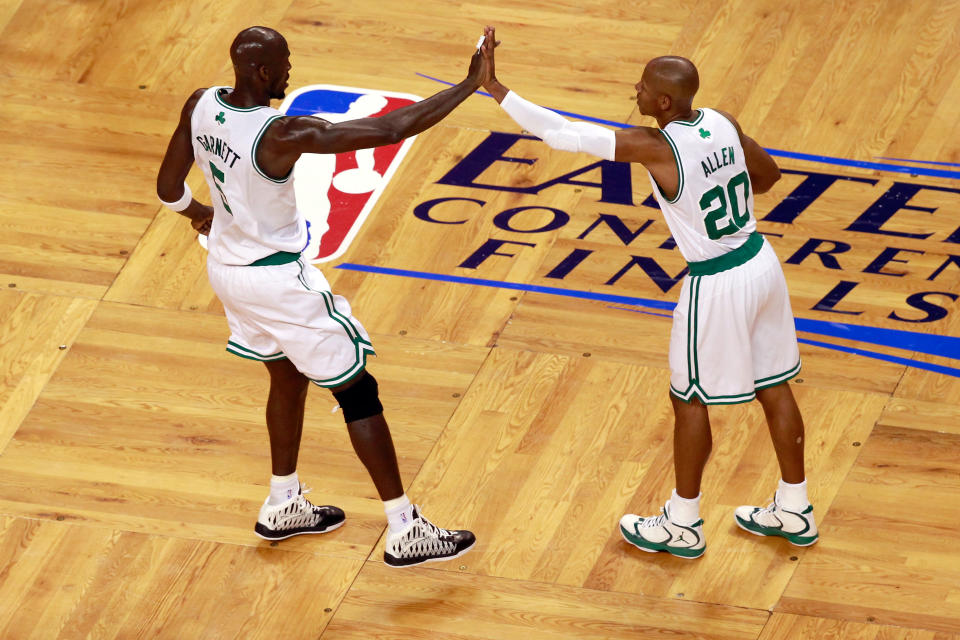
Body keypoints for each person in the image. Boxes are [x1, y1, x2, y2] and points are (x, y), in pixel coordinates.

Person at [478, 26, 816, 559]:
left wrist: (495, 89)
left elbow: (563, 134)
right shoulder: (723, 122)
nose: (632, 91)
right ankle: (794, 507)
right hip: (760, 261)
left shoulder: (654, 145)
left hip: (718, 280)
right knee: (774, 385)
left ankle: (683, 523)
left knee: (689, 398)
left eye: (641, 86)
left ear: (663, 100)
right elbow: (769, 176)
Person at [156, 26, 485, 567]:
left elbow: (168, 188)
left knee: (286, 374)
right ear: (262, 72)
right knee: (358, 391)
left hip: (226, 270)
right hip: (280, 280)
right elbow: (392, 127)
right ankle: (405, 529)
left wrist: (200, 216)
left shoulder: (201, 104)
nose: (290, 70)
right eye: (285, 63)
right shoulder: (282, 133)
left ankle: (283, 503)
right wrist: (469, 84)